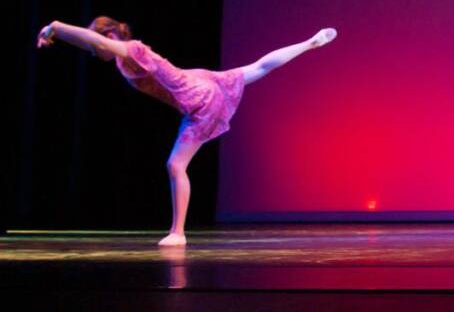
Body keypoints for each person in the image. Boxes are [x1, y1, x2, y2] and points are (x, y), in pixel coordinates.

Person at [37, 16, 337, 245]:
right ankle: (309, 43)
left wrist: (56, 26)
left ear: (111, 35)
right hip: (201, 81)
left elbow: (100, 44)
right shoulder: (124, 56)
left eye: (95, 45)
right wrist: (58, 33)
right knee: (257, 68)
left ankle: (177, 232)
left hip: (197, 98)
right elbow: (97, 44)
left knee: (175, 164)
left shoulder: (130, 49)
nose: (93, 52)